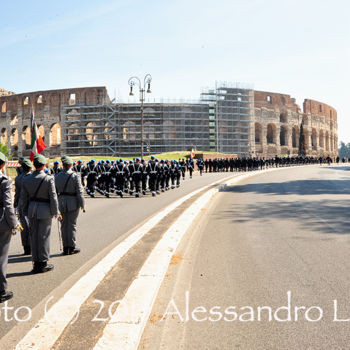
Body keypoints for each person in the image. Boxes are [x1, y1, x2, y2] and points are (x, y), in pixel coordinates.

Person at [21, 154, 59, 273]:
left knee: (34, 236)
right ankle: (42, 263)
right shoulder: (48, 179)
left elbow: (24, 198)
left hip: (32, 210)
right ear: (43, 165)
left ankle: (36, 262)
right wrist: (55, 211)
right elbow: (53, 197)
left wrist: (25, 212)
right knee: (44, 237)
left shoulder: (26, 179)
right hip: (44, 210)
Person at [55, 156, 85, 255]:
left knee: (63, 226)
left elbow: (54, 192)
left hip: (61, 202)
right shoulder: (75, 176)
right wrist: (82, 204)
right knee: (72, 225)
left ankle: (65, 247)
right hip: (73, 202)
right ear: (71, 165)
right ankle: (71, 247)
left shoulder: (57, 176)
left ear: (62, 165)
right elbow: (79, 191)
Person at [0, 152, 18, 303]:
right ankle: (1, 290)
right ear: (3, 164)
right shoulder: (5, 181)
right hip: (1, 222)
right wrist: (14, 223)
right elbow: (8, 205)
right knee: (1, 256)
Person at [14, 158, 33, 255]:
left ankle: (26, 247)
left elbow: (17, 193)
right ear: (30, 167)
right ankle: (32, 246)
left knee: (23, 226)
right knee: (31, 226)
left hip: (21, 204)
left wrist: (15, 204)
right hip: (30, 203)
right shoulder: (31, 177)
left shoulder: (17, 178)